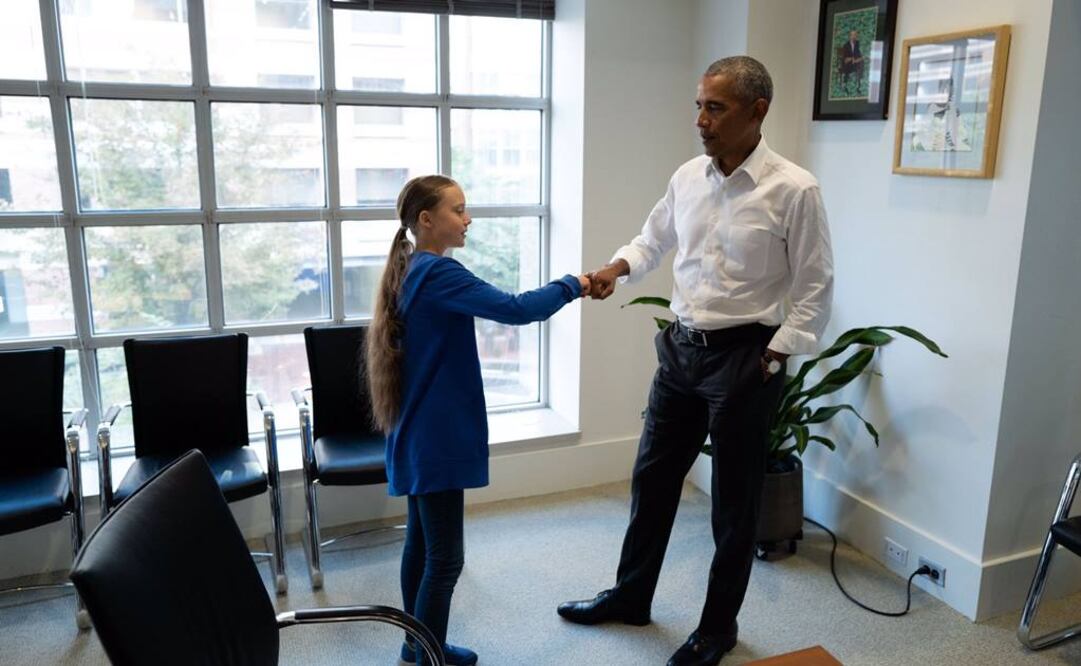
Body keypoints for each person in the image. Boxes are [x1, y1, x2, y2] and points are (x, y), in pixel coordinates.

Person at [558, 56, 834, 666]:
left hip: (746, 359)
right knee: (652, 481)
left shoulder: (794, 189)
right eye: (699, 105)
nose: (701, 120)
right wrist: (616, 268)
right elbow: (653, 239)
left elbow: (815, 287)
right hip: (681, 352)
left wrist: (774, 355)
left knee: (733, 506)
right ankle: (631, 597)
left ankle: (717, 629)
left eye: (716, 107)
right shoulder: (688, 176)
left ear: (757, 111)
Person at [366, 175, 590, 666]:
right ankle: (427, 655)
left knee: (420, 545)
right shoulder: (438, 274)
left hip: (419, 431)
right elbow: (516, 309)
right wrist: (576, 284)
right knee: (445, 558)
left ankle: (416, 644)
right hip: (437, 436)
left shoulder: (411, 268)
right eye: (459, 210)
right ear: (427, 220)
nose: (468, 219)